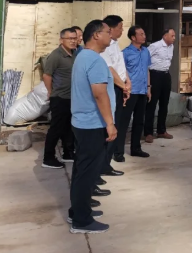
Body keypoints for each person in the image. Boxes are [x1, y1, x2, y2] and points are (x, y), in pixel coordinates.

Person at [68, 20, 117, 234]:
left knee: (81, 170)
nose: (111, 35)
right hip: (93, 124)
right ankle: (82, 221)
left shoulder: (83, 56)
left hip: (82, 122)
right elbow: (99, 94)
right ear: (96, 35)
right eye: (107, 32)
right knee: (87, 173)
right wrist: (110, 123)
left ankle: (78, 211)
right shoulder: (94, 60)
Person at [41, 28, 78, 169]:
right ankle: (48, 158)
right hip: (60, 98)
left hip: (71, 98)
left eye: (74, 38)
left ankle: (68, 153)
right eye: (70, 38)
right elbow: (47, 75)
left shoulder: (74, 53)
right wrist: (51, 92)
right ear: (61, 40)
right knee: (56, 129)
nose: (73, 41)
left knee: (68, 127)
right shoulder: (56, 55)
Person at [99, 15, 130, 175]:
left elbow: (120, 67)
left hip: (120, 87)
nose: (122, 30)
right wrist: (123, 86)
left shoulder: (116, 44)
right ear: (110, 29)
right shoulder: (105, 47)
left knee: (117, 125)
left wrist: (127, 81)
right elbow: (110, 69)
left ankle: (106, 164)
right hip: (113, 88)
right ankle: (102, 165)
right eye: (120, 27)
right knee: (110, 126)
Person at [116, 26, 151, 160]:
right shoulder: (125, 53)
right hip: (130, 91)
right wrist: (124, 89)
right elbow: (121, 73)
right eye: (141, 34)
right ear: (133, 37)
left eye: (144, 33)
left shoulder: (146, 51)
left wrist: (149, 88)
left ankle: (136, 148)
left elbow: (147, 70)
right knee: (124, 121)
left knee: (139, 121)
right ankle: (118, 152)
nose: (144, 36)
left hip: (142, 90)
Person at [145, 28, 176, 143]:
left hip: (166, 75)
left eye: (174, 36)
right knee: (151, 104)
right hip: (155, 75)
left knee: (164, 104)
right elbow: (145, 59)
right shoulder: (155, 46)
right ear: (165, 36)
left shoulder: (171, 47)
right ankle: (148, 132)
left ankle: (161, 130)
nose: (174, 38)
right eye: (172, 36)